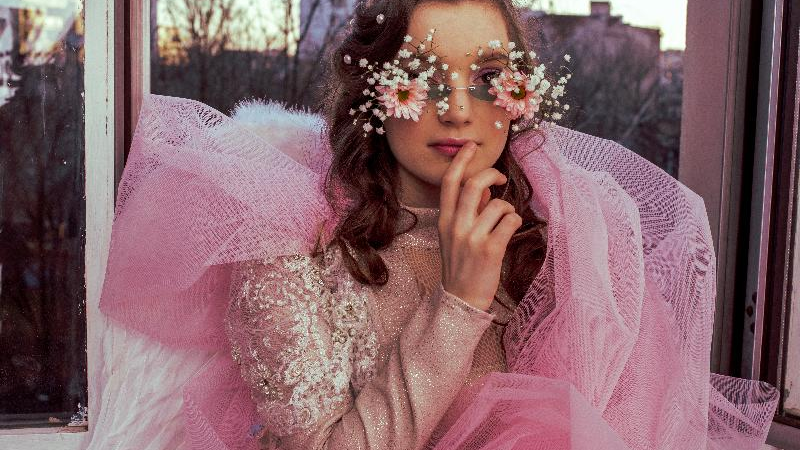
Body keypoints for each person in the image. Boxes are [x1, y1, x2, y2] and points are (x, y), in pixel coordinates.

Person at [89, 0, 779, 449]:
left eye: (488, 78)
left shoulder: (574, 232)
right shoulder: (290, 237)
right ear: (373, 93)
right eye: (421, 76)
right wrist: (458, 301)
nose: (457, 111)